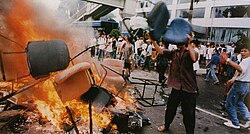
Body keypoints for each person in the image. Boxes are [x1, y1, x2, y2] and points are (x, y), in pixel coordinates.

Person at [151, 19, 198, 133]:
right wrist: (153, 41)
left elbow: (194, 58)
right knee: (170, 109)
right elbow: (161, 51)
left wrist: (190, 43)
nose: (177, 44)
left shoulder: (191, 52)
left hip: (189, 89)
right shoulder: (174, 53)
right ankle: (166, 126)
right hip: (176, 88)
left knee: (189, 114)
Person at [221, 39, 250, 129]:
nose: (242, 53)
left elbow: (241, 69)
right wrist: (233, 78)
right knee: (240, 103)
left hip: (240, 84)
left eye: (245, 51)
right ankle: (249, 119)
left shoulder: (246, 61)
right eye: (241, 51)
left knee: (229, 104)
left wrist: (228, 60)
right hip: (246, 85)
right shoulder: (246, 60)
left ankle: (235, 123)